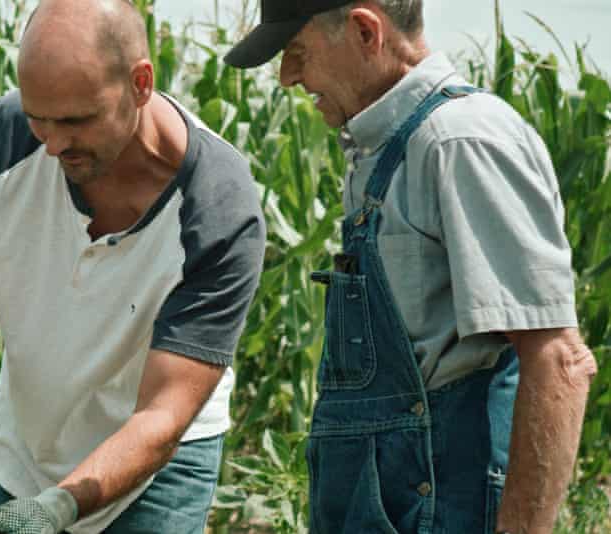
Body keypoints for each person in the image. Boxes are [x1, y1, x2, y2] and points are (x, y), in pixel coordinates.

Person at [0, 0, 266, 532]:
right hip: (30, 454)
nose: (53, 144)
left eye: (75, 121)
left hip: (159, 472)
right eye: (37, 118)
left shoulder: (217, 209)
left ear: (140, 83)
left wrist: (52, 512)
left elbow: (161, 417)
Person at [225, 1, 597, 533]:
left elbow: (557, 360)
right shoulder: (379, 146)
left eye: (297, 51)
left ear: (363, 30)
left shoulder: (460, 141)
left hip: (443, 506)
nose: (288, 77)